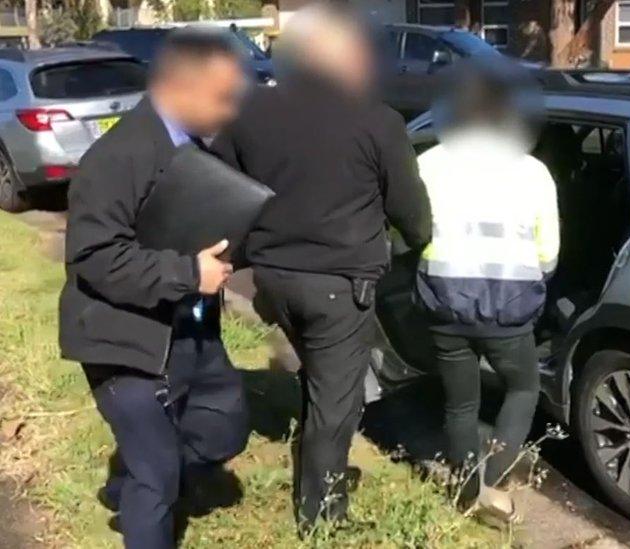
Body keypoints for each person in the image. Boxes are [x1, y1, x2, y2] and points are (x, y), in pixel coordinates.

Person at [211, 4, 431, 531]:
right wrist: (410, 246)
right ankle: (322, 518)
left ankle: (318, 473)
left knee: (322, 381)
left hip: (272, 278)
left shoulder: (248, 114)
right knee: (339, 400)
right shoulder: (377, 122)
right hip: (339, 284)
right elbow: (412, 214)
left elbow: (219, 186)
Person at [58, 29, 249, 549]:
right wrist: (189, 274)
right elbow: (95, 257)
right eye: (223, 96)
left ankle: (131, 482)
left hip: (187, 328)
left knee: (224, 425)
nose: (232, 109)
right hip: (124, 341)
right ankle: (143, 493)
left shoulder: (199, 148)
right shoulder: (116, 157)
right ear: (181, 89)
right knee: (158, 476)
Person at [414, 60, 559, 520]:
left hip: (443, 301)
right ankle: (494, 480)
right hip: (509, 306)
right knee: (522, 387)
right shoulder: (532, 171)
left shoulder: (429, 162)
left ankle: (464, 491)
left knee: (460, 402)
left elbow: (410, 229)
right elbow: (549, 252)